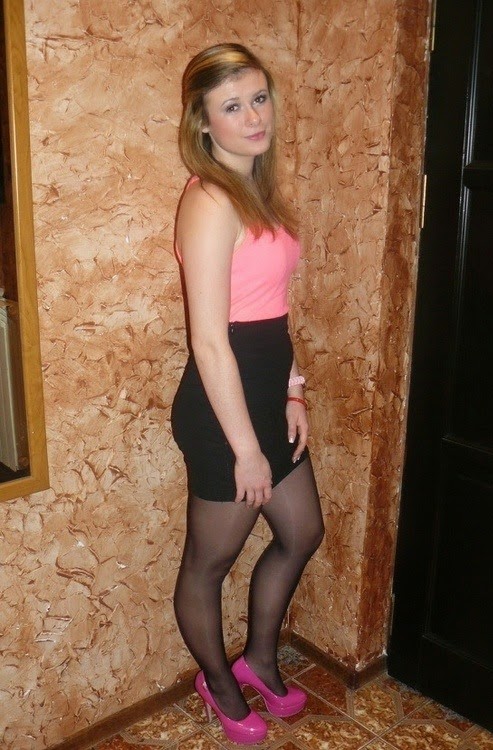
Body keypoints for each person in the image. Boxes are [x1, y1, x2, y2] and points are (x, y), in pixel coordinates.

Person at [171, 43, 324, 745]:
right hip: (221, 414)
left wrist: (293, 389)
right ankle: (219, 680)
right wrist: (246, 450)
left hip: (265, 396)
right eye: (232, 106)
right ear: (203, 123)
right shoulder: (207, 202)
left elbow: (273, 309)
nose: (253, 116)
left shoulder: (257, 192)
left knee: (303, 532)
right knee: (209, 565)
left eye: (258, 98)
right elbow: (210, 341)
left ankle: (259, 659)